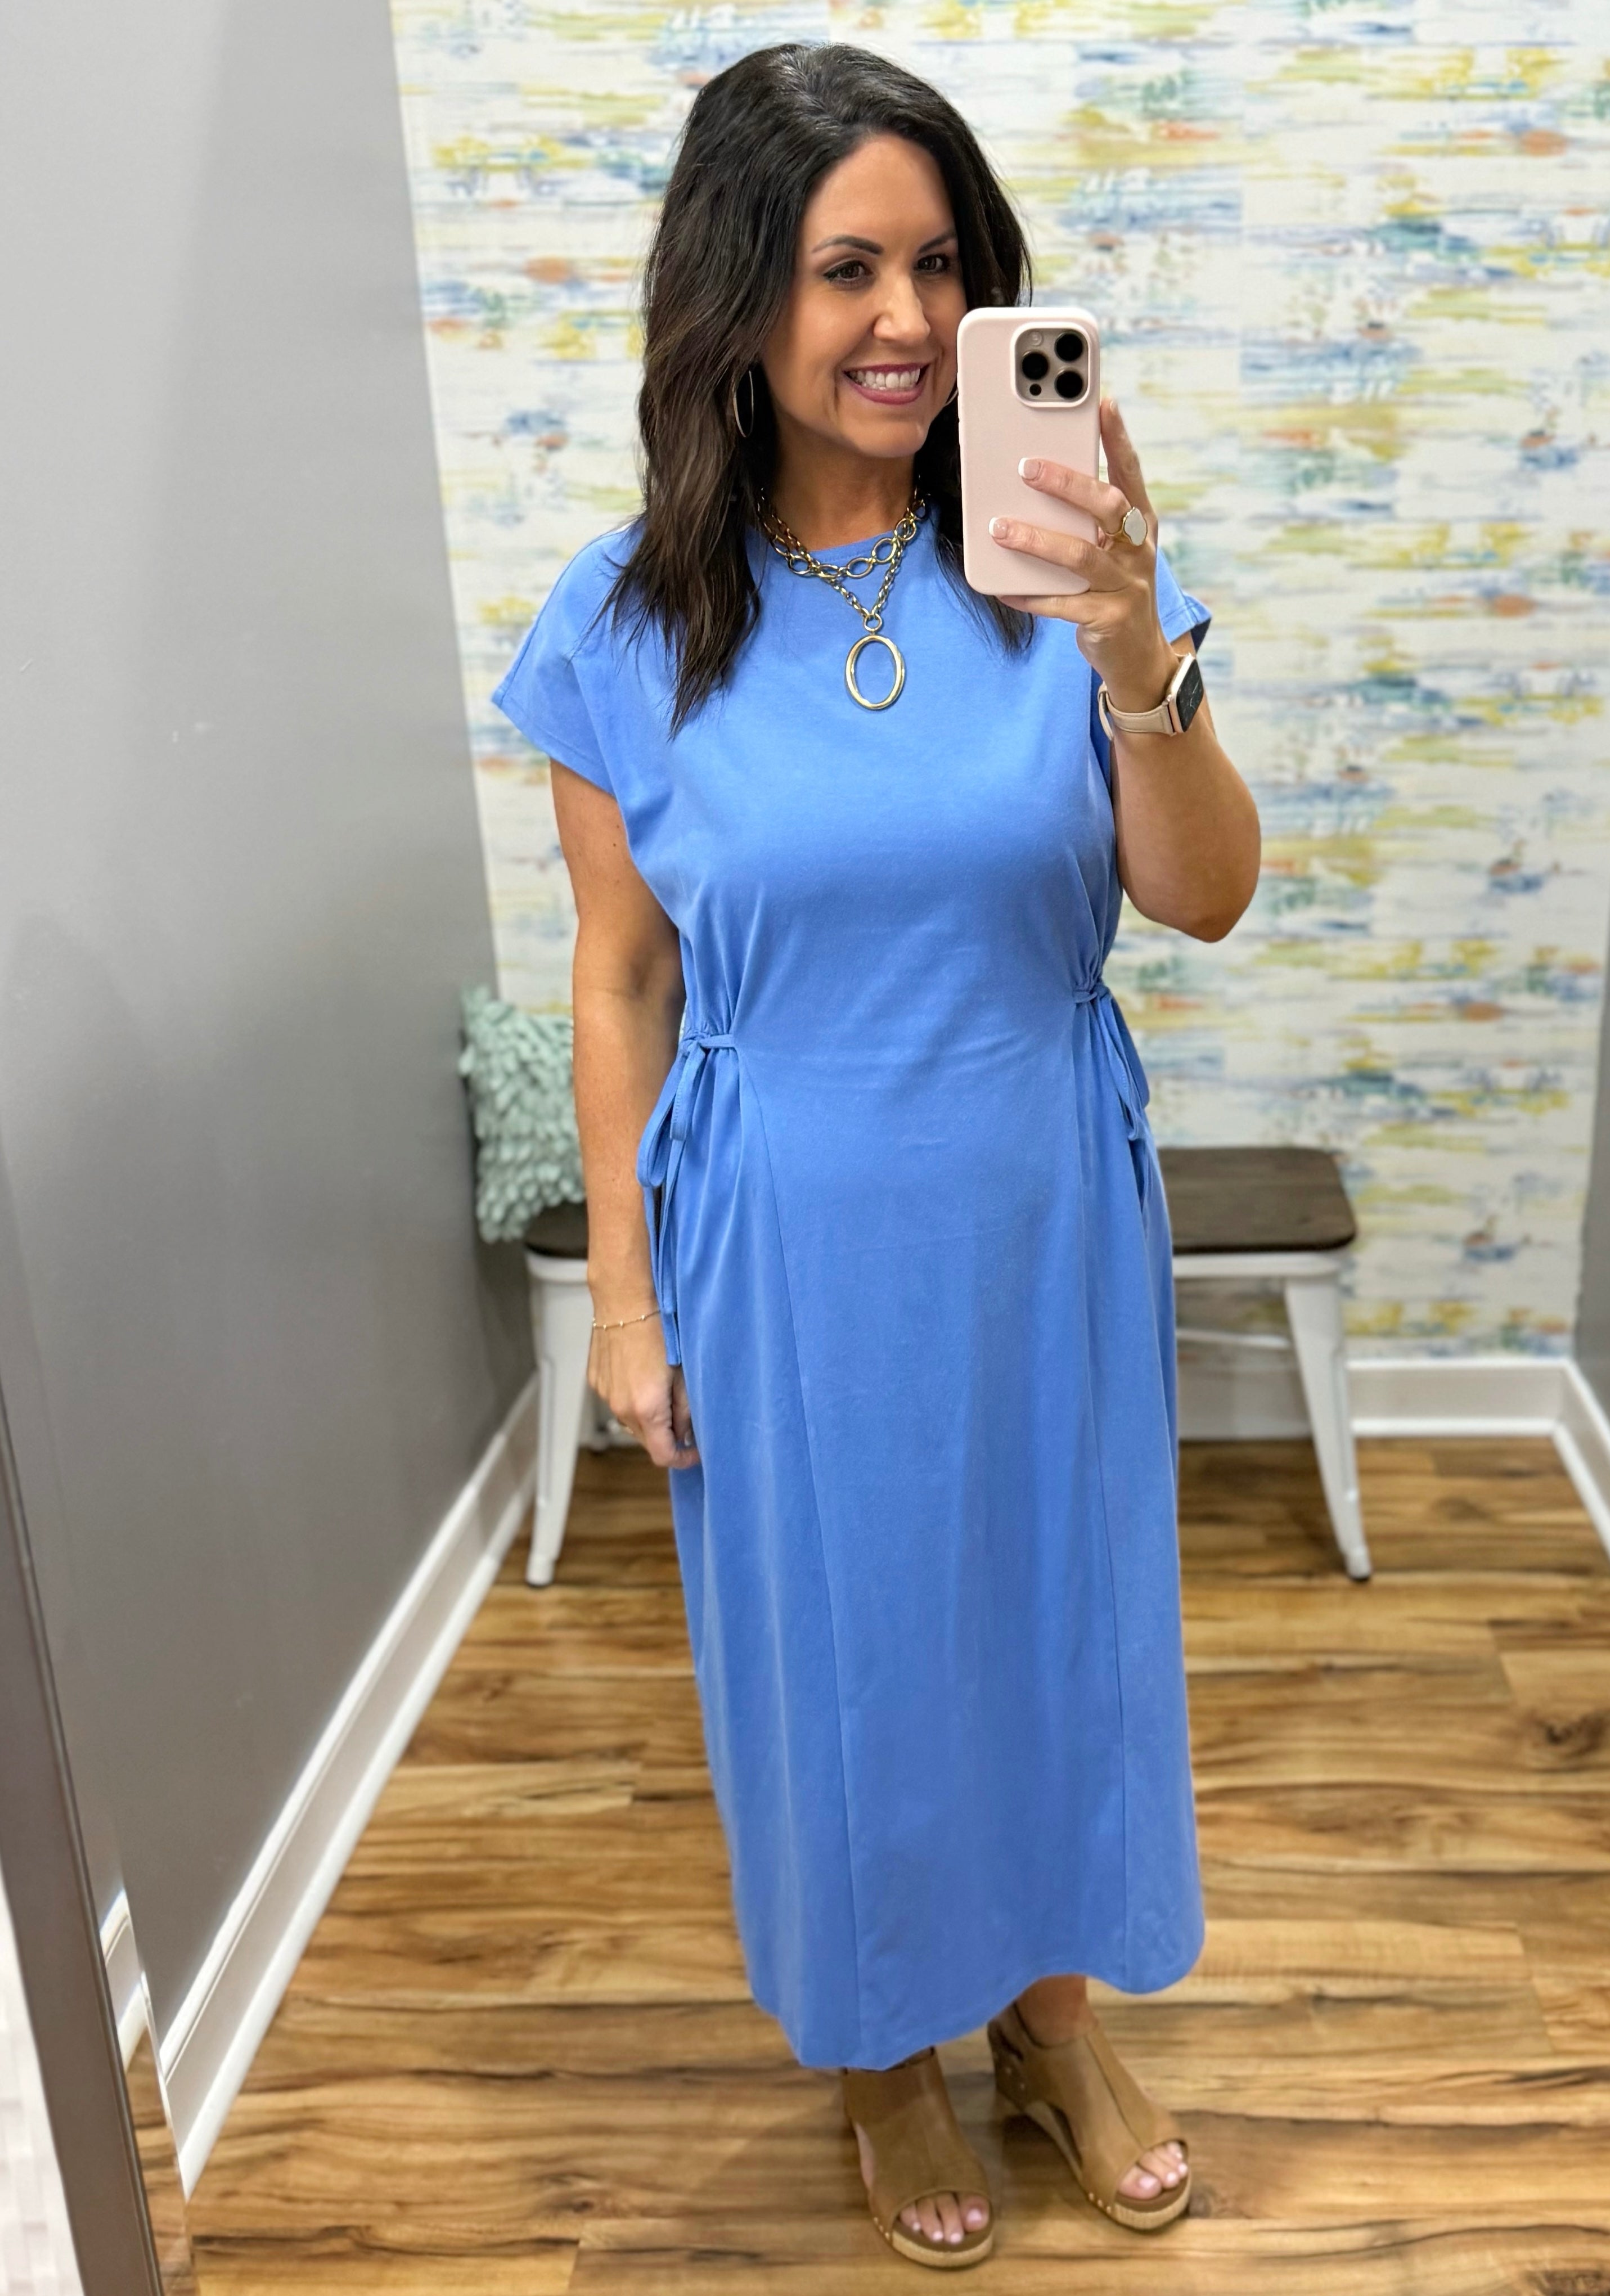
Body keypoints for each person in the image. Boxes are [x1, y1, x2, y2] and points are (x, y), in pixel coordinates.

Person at [490, 40, 1260, 2271]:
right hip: (787, 1227)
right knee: (837, 1656)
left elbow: (1201, 893)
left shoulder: (1056, 560)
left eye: (940, 264)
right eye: (848, 268)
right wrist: (626, 1304)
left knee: (1049, 1619)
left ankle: (1050, 2017)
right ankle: (879, 2046)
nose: (909, 318)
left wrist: (1133, 653)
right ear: (739, 299)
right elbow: (620, 982)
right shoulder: (627, 622)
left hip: (1040, 1191)